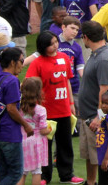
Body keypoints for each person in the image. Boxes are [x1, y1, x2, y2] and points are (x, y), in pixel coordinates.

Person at [25, 31, 82, 184]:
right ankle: (44, 176)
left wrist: (71, 103)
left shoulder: (64, 58)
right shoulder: (37, 63)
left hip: (63, 108)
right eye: (51, 44)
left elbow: (67, 81)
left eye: (56, 41)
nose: (55, 45)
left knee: (65, 143)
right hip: (45, 110)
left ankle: (67, 175)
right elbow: (31, 84)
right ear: (43, 46)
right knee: (45, 145)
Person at [0, 48, 34, 185]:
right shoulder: (12, 81)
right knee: (16, 172)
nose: (22, 64)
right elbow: (11, 109)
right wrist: (26, 125)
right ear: (13, 62)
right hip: (9, 133)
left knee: (4, 171)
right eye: (21, 61)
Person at [77, 20, 108, 185]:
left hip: (96, 119)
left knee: (101, 157)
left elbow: (106, 91)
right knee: (90, 156)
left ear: (86, 37)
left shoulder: (103, 59)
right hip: (87, 116)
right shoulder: (96, 55)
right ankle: (91, 182)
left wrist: (98, 117)